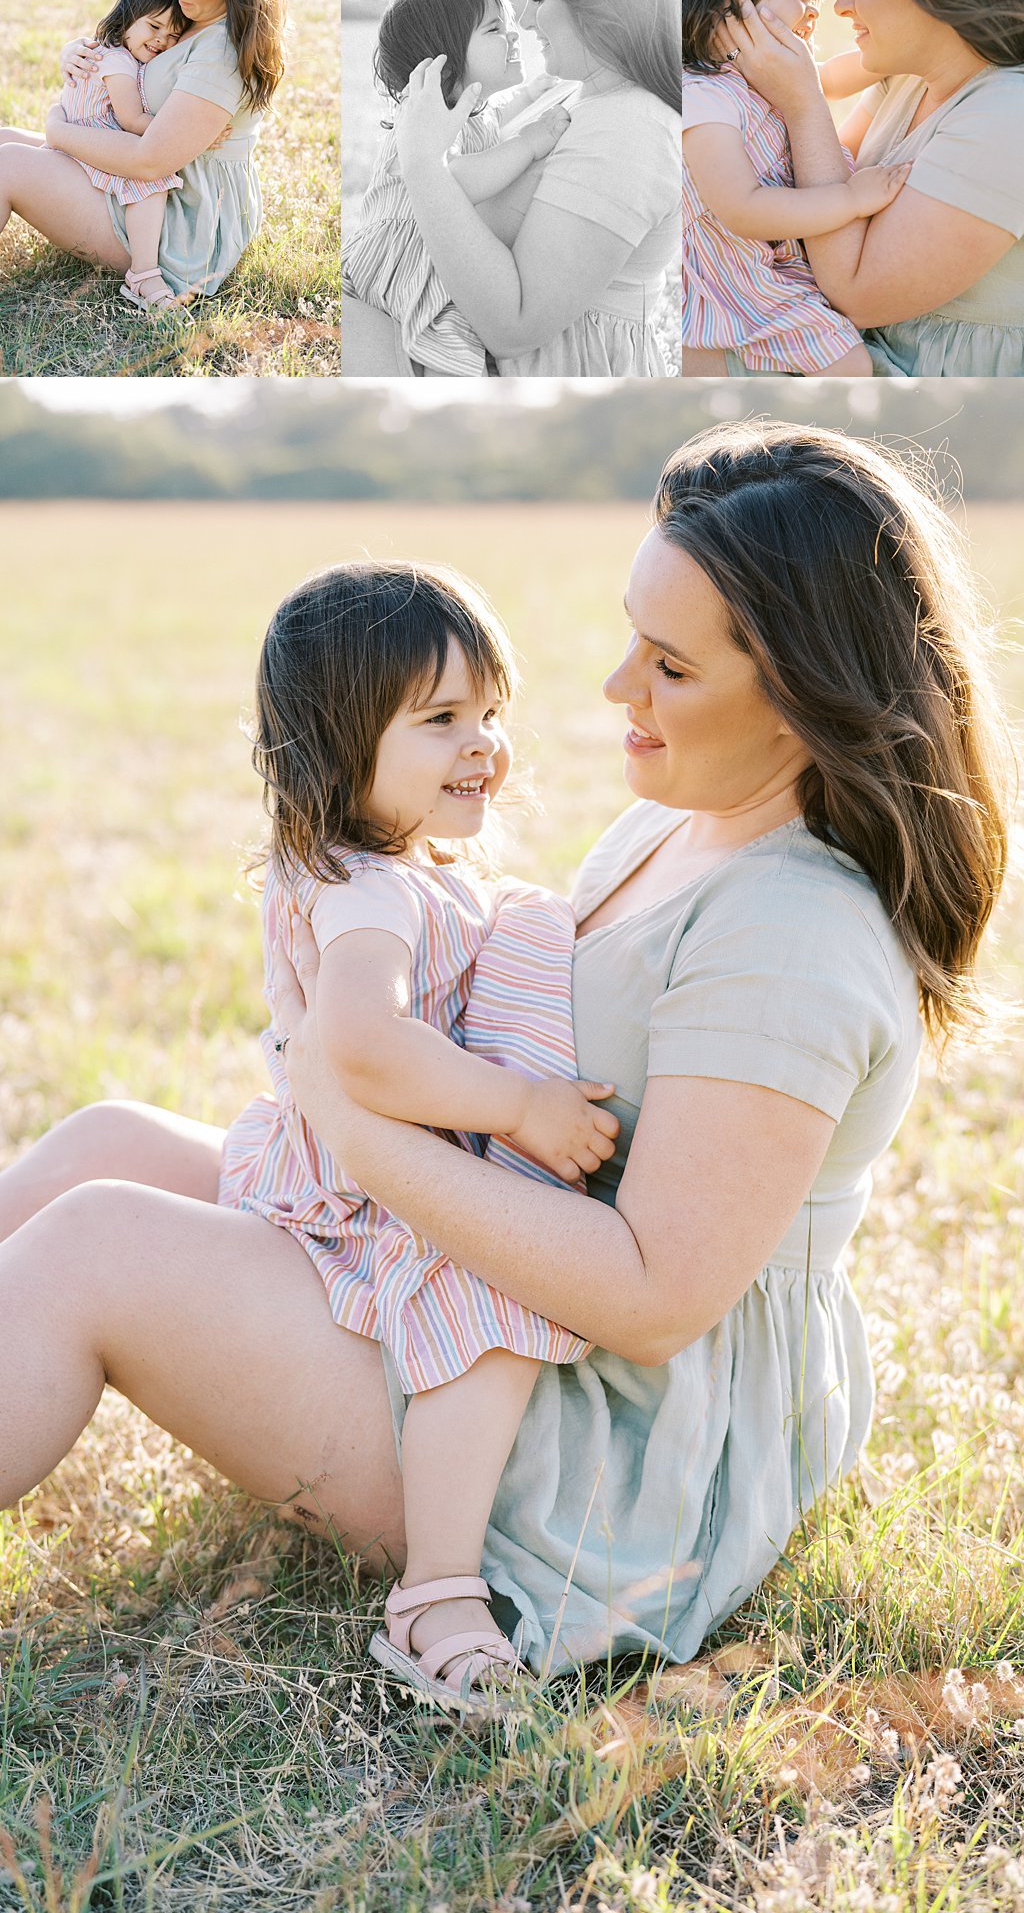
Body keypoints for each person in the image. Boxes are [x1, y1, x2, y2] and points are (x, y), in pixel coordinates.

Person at [0, 424, 1011, 1681]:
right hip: (488, 1260)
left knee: (98, 1243)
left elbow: (649, 1299)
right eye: (632, 634)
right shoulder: (680, 823)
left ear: (807, 692)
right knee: (107, 1138)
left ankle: (445, 1576)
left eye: (671, 666)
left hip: (591, 1433)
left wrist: (354, 1116)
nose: (614, 688)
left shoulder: (791, 936)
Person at [219, 560, 617, 1706]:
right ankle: (438, 1592)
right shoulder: (374, 893)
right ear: (342, 749)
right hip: (372, 1186)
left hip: (330, 1157)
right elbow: (361, 1041)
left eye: (489, 712)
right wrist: (518, 1105)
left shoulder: (376, 863)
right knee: (487, 1308)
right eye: (440, 719)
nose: (482, 742)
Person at [346, 0, 682, 377]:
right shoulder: (579, 93)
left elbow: (513, 325)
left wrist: (423, 165)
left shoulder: (631, 128)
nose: (523, 22)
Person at [711, 0, 1024, 375]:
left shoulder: (1009, 116)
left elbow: (854, 289)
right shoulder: (904, 82)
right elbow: (820, 208)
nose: (840, 3)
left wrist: (803, 102)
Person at [0, 0, 287, 304]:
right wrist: (79, 51)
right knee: (4, 135)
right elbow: (130, 47)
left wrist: (56, 131)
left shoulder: (220, 53)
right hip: (139, 183)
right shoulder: (194, 15)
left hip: (177, 223)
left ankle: (144, 275)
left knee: (7, 164)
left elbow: (149, 160)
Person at [682, 0, 909, 374]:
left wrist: (912, 47)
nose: (813, 11)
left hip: (772, 273)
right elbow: (742, 208)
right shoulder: (702, 98)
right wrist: (849, 199)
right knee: (850, 367)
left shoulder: (758, 77)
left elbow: (836, 75)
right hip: (739, 288)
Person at [343, 0, 570, 374]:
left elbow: (500, 116)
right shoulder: (421, 121)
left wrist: (534, 94)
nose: (514, 34)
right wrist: (530, 144)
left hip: (435, 252)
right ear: (443, 61)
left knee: (447, 342)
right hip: (402, 259)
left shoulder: (472, 111)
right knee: (439, 347)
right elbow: (454, 180)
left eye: (508, 23)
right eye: (495, 29)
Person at [55, 0, 188, 311]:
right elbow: (130, 119)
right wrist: (182, 129)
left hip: (81, 135)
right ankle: (143, 273)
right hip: (92, 140)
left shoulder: (112, 51)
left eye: (173, 35)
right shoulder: (118, 62)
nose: (161, 40)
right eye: (154, 27)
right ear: (128, 18)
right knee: (149, 183)